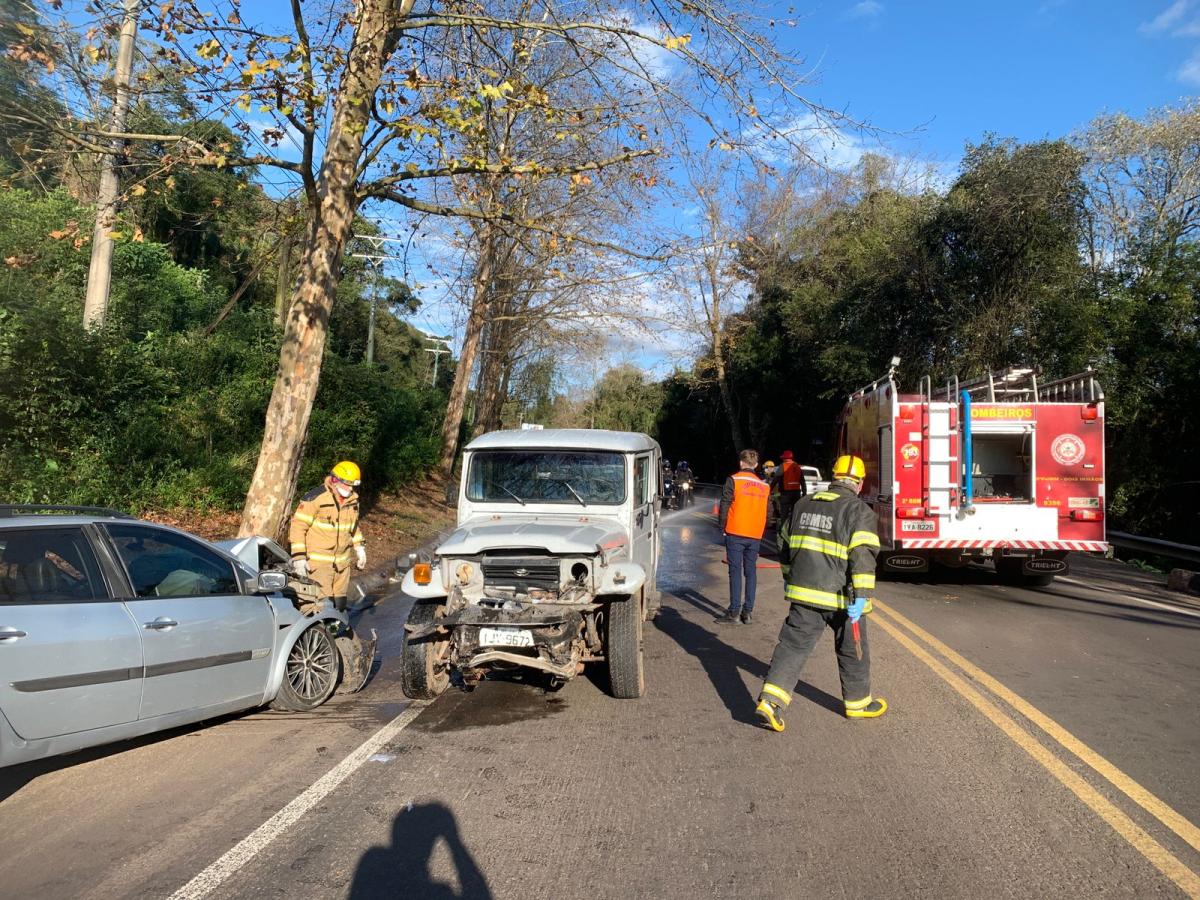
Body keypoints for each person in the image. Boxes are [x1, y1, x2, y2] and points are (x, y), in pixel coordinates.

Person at [755, 454, 886, 732]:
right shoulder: (859, 512)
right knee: (852, 650)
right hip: (843, 598)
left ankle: (770, 702)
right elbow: (863, 556)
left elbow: (784, 546)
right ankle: (858, 703)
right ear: (859, 483)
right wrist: (862, 595)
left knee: (791, 648)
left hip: (804, 594)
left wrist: (791, 580)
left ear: (834, 477)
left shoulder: (802, 505)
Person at [289, 460, 367, 612]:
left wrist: (359, 548)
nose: (350, 489)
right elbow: (298, 527)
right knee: (321, 607)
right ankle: (319, 635)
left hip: (342, 566)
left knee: (339, 605)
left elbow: (353, 528)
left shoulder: (353, 501)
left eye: (353, 485)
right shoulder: (315, 498)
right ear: (335, 480)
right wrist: (299, 557)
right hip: (319, 566)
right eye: (347, 484)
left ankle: (337, 634)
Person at [716, 449, 770, 625]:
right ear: (755, 465)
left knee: (735, 572)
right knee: (751, 572)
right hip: (755, 534)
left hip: (736, 531)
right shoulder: (764, 485)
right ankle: (748, 612)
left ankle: (733, 612)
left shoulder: (734, 480)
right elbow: (768, 512)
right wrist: (762, 529)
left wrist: (721, 526)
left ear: (741, 463)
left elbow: (725, 504)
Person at [771, 450, 807, 526]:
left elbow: (776, 479)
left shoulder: (783, 466)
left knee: (784, 513)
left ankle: (783, 530)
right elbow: (802, 481)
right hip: (796, 493)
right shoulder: (797, 466)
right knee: (795, 513)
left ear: (784, 458)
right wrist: (804, 493)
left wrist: (769, 489)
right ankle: (793, 528)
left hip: (786, 493)